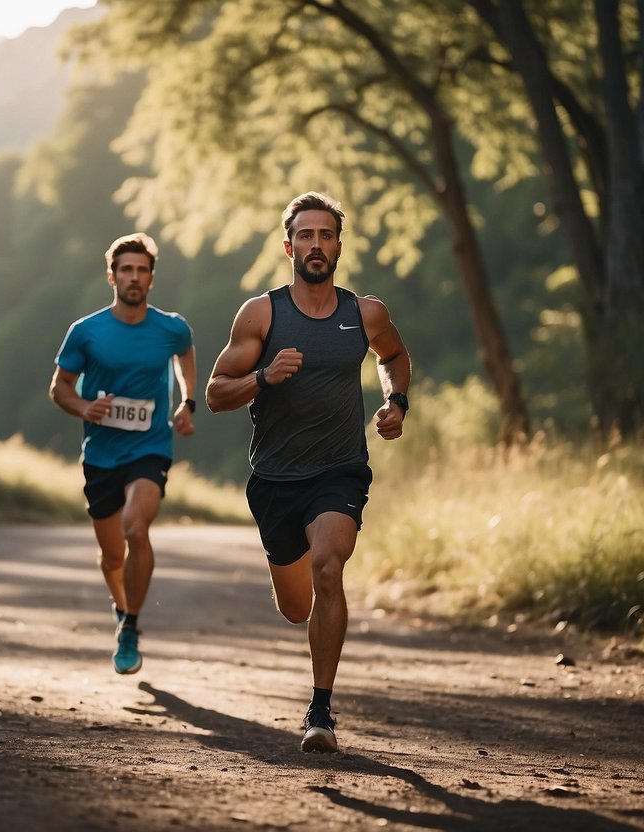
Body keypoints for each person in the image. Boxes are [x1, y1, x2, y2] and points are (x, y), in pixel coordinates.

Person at [205, 192, 411, 753]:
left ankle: (320, 711)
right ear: (288, 245)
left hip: (340, 469)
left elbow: (393, 357)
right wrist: (264, 378)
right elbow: (216, 394)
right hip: (274, 478)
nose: (315, 245)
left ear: (339, 246)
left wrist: (396, 403)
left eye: (326, 235)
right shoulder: (262, 314)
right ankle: (310, 656)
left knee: (328, 567)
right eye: (305, 236)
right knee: (297, 607)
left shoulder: (364, 312)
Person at [50, 232, 197, 675]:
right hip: (101, 454)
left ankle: (130, 626)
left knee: (137, 529)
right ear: (112, 276)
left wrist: (187, 403)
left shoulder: (172, 328)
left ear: (152, 278)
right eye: (126, 270)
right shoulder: (86, 331)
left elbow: (186, 358)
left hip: (149, 447)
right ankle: (122, 608)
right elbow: (58, 387)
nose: (134, 277)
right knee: (113, 557)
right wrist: (83, 407)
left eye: (142, 270)